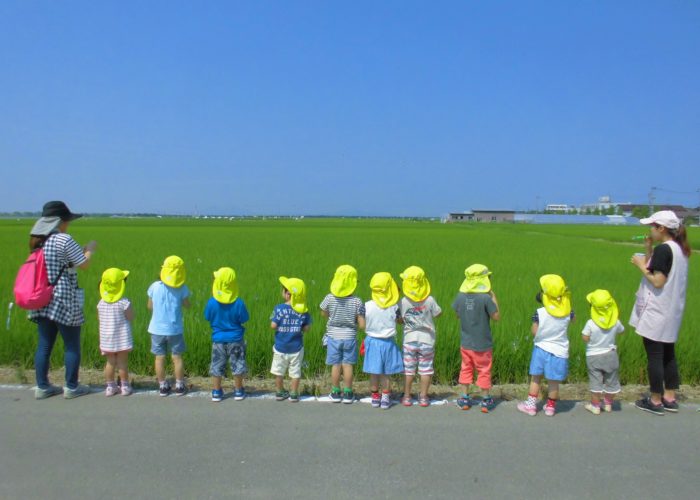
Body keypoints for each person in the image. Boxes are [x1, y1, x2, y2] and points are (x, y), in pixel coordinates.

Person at [29, 201, 97, 400]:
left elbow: (58, 263)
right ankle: (71, 387)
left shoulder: (37, 241)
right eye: (67, 220)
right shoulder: (63, 239)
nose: (68, 224)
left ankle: (42, 387)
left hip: (41, 298)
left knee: (44, 344)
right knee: (71, 344)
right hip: (64, 298)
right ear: (61, 221)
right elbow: (83, 264)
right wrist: (90, 249)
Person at [630, 210, 690, 415]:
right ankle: (670, 397)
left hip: (658, 311)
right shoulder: (679, 249)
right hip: (672, 311)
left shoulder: (665, 249)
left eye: (652, 226)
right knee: (668, 355)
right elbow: (656, 270)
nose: (650, 230)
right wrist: (648, 250)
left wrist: (639, 265)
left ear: (661, 228)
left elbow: (657, 280)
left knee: (655, 355)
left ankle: (655, 400)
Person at [517, 274, 574, 417]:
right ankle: (550, 408)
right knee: (553, 381)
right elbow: (572, 320)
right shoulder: (568, 312)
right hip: (559, 351)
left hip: (541, 349)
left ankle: (530, 406)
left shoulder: (539, 313)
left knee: (536, 378)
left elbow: (534, 331)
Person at [452, 264, 500, 413]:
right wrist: (494, 297)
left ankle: (464, 398)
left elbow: (457, 315)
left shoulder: (460, 296)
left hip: (466, 343)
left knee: (466, 369)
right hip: (483, 344)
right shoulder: (486, 298)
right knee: (484, 370)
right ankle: (485, 400)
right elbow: (496, 316)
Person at [320, 264, 366, 403]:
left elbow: (323, 313)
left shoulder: (329, 298)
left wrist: (332, 315)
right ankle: (348, 392)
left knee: (336, 364)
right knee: (347, 365)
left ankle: (335, 391)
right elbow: (362, 324)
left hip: (333, 337)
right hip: (350, 337)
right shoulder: (357, 301)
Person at [399, 266, 442, 408]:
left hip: (409, 340)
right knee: (426, 369)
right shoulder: (429, 300)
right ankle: (423, 397)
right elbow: (438, 313)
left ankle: (406, 396)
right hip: (427, 340)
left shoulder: (403, 301)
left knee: (409, 369)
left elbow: (399, 319)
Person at [147, 255, 191, 396]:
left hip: (156, 329)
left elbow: (149, 306)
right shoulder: (182, 288)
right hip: (175, 329)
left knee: (159, 358)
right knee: (176, 357)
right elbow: (187, 305)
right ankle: (179, 385)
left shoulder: (154, 286)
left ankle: (162, 386)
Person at [205, 267, 249, 402]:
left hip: (218, 339)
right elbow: (244, 319)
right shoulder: (239, 303)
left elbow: (208, 317)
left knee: (217, 365)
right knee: (238, 364)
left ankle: (217, 391)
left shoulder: (212, 302)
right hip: (235, 339)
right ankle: (238, 390)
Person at [363, 272, 403, 410]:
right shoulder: (394, 307)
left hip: (372, 341)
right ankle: (385, 398)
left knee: (374, 372)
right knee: (386, 373)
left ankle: (375, 397)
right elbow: (400, 321)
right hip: (388, 342)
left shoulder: (367, 305)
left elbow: (362, 323)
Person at [582, 289, 624, 415]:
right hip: (611, 355)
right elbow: (622, 331)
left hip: (593, 356)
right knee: (611, 380)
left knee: (596, 380)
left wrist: (590, 339)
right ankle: (608, 404)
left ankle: (595, 406)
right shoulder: (615, 322)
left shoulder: (590, 323)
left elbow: (585, 337)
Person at [270, 276, 312, 402]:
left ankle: (279, 392)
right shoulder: (304, 311)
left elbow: (273, 325)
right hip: (296, 348)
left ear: (287, 294)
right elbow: (307, 328)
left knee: (279, 371)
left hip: (280, 347)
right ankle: (294, 393)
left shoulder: (278, 308)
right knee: (295, 372)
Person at [97, 268, 134, 396]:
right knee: (122, 363)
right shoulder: (124, 302)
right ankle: (124, 386)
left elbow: (99, 318)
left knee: (110, 363)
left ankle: (110, 387)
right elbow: (130, 317)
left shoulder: (101, 303)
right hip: (122, 338)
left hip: (107, 339)